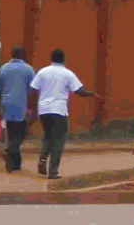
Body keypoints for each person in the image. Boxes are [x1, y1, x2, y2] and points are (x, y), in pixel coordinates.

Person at [28, 49, 90, 178]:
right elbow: (79, 91)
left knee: (48, 136)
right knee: (58, 140)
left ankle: (43, 158)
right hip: (59, 111)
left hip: (44, 110)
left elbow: (32, 89)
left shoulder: (42, 72)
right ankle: (53, 171)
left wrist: (32, 108)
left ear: (51, 58)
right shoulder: (67, 74)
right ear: (63, 59)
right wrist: (93, 94)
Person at [0, 45, 35, 174]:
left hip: (6, 104)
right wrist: (32, 107)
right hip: (21, 104)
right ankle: (9, 151)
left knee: (11, 132)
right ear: (23, 55)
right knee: (22, 132)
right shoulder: (28, 69)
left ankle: (15, 164)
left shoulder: (3, 69)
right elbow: (33, 90)